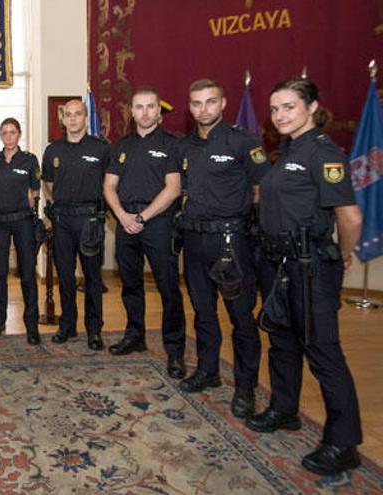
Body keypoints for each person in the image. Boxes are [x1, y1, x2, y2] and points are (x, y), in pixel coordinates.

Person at [247, 78, 363, 476]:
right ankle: (284, 409)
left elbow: (350, 217)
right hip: (278, 264)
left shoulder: (324, 154)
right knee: (282, 341)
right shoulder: (288, 150)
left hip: (309, 266)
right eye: (275, 108)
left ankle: (343, 442)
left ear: (311, 108)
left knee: (323, 352)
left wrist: (341, 256)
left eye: (289, 107)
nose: (280, 115)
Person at [176, 79, 270, 419]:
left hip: (232, 242)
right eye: (197, 103)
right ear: (190, 107)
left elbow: (263, 189)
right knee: (202, 312)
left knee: (241, 318)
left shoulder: (243, 142)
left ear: (223, 103)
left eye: (210, 102)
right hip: (194, 240)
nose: (204, 109)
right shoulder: (184, 147)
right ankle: (208, 369)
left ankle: (246, 388)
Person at [104, 87, 186, 378]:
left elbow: (173, 188)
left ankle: (175, 351)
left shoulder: (172, 144)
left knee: (168, 288)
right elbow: (109, 186)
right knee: (130, 284)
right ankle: (134, 336)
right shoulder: (121, 146)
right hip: (126, 222)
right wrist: (123, 216)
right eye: (139, 107)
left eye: (151, 107)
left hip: (159, 223)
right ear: (132, 112)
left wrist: (142, 216)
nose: (145, 112)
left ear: (159, 113)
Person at [41, 99, 107, 350]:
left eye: (78, 114)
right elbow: (48, 184)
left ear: (86, 118)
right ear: (63, 119)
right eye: (68, 115)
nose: (73, 119)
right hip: (62, 221)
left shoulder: (101, 148)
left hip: (90, 219)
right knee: (65, 277)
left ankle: (94, 331)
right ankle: (67, 326)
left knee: (92, 278)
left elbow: (109, 183)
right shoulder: (53, 150)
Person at [0, 118, 41, 345]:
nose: (9, 137)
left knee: (27, 274)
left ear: (19, 135)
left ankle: (32, 326)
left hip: (23, 222)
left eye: (12, 132)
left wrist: (31, 204)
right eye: (5, 133)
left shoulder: (29, 160)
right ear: (0, 136)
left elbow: (35, 190)